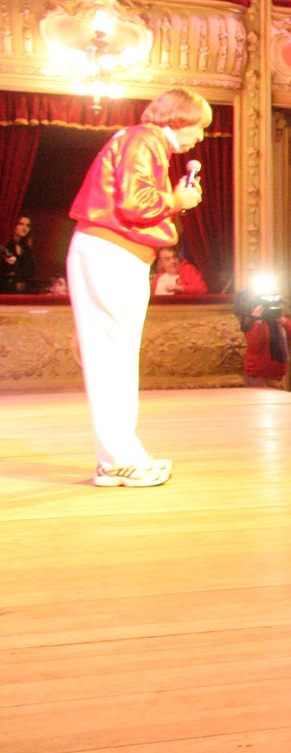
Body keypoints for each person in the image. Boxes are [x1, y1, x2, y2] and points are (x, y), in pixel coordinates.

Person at [66, 87, 209, 487]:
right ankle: (117, 459)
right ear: (178, 119)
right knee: (112, 356)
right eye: (198, 126)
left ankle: (119, 456)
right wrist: (176, 199)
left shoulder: (142, 142)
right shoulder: (144, 139)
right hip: (111, 251)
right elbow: (136, 203)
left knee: (115, 355)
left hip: (114, 252)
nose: (200, 136)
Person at [237, 293, 291, 388]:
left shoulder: (280, 322)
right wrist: (257, 320)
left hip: (277, 376)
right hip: (258, 376)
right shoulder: (250, 321)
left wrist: (285, 322)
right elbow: (254, 344)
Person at [2, 215, 35, 293]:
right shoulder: (6, 244)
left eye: (27, 225)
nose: (24, 228)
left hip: (18, 289)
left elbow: (31, 269)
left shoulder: (26, 248)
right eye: (20, 224)